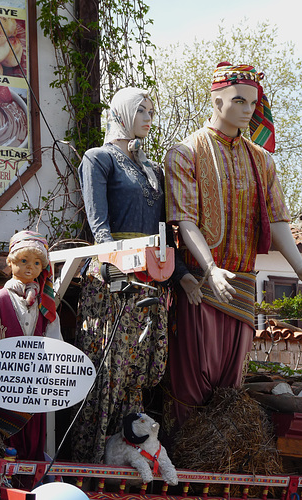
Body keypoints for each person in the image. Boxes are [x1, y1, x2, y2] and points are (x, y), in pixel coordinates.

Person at [163, 62, 302, 438]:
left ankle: (220, 463)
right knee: (192, 381)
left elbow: (277, 219)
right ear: (216, 99)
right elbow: (184, 220)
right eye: (238, 101)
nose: (247, 110)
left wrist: (300, 266)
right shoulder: (185, 153)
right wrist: (210, 267)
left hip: (242, 284)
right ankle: (187, 458)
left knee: (229, 386)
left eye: (252, 103)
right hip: (200, 286)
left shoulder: (261, 160)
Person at [71, 87, 186, 464]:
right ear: (121, 112)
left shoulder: (152, 169)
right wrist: (109, 264)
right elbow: (98, 221)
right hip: (112, 279)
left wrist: (178, 273)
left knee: (137, 371)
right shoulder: (98, 158)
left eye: (152, 111)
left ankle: (127, 456)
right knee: (107, 369)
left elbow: (167, 228)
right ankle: (89, 461)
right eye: (142, 110)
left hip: (148, 282)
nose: (149, 117)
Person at [0, 230, 62, 460]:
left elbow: (56, 345)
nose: (30, 268)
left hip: (35, 388)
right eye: (24, 261)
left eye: (36, 263)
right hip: (5, 386)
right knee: (5, 443)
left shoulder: (45, 305)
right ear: (11, 261)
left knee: (34, 440)